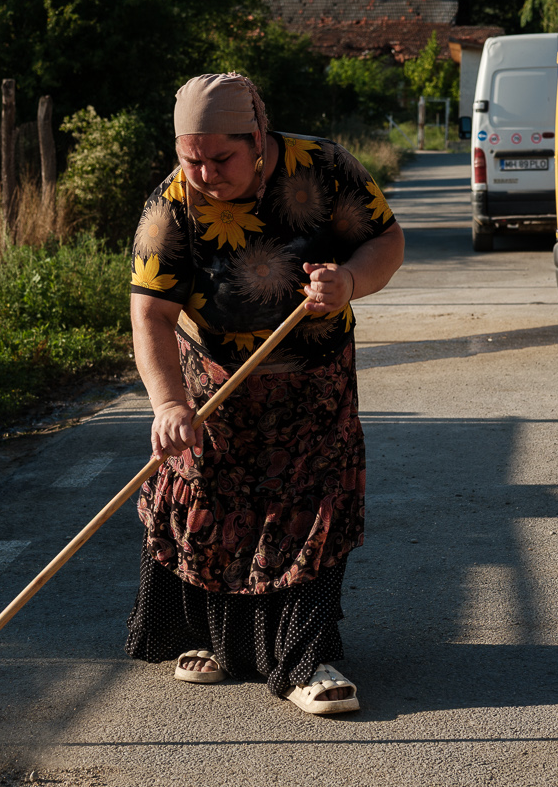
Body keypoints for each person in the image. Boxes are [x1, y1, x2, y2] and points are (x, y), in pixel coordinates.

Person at [124, 72, 405, 715]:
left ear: (257, 138)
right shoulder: (171, 207)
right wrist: (169, 403)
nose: (204, 175)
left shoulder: (323, 168)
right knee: (216, 506)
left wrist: (350, 282)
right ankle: (218, 643)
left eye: (220, 158)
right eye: (189, 159)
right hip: (216, 385)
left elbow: (386, 241)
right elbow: (151, 315)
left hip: (314, 380)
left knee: (311, 506)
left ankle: (308, 659)